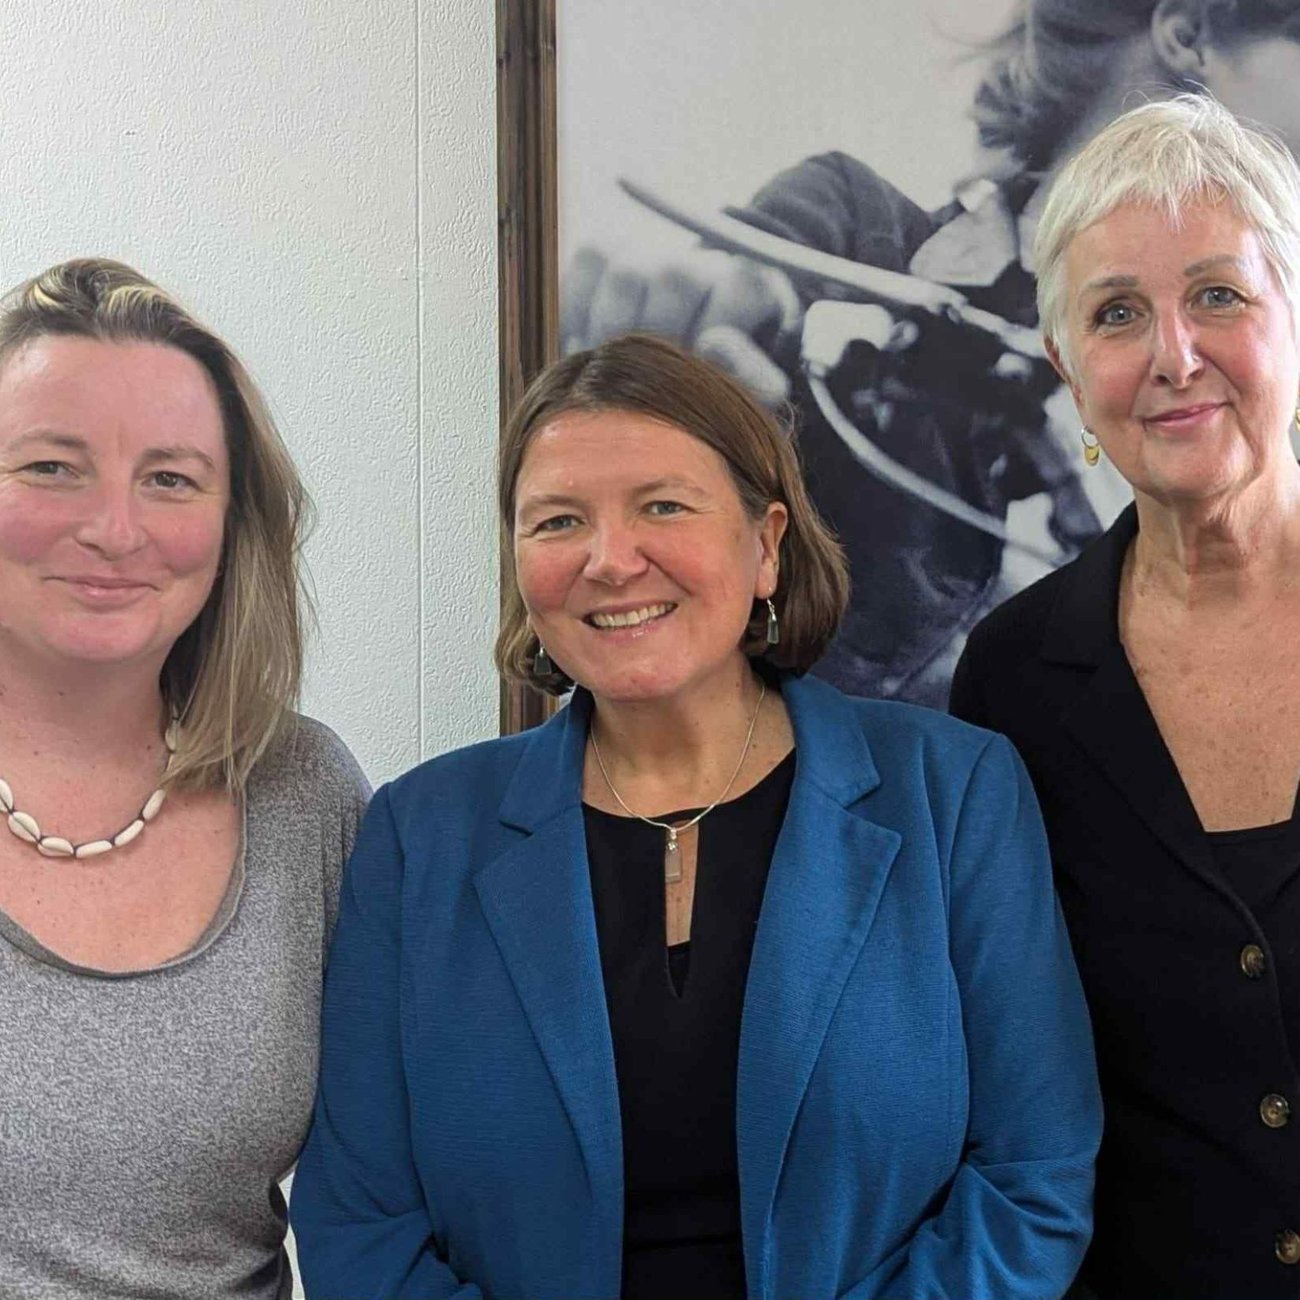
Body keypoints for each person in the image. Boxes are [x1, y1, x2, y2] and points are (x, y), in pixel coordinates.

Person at [290, 332, 1100, 1299]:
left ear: (766, 545)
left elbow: (1031, 1179)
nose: (609, 560)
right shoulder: (418, 836)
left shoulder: (954, 794)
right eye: (558, 521)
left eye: (663, 506)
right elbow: (360, 1224)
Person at [563, 0, 1300, 708]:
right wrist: (695, 307)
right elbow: (745, 293)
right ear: (1188, 33)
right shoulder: (856, 229)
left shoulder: (1257, 384)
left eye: (1217, 296)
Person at [950, 96, 1300, 1298]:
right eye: (1115, 313)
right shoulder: (1010, 682)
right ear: (1064, 367)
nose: (1173, 356)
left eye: (1218, 295)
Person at [0, 258, 369, 1299]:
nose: (115, 530)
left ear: (232, 522)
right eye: (51, 467)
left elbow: (395, 1182)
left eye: (169, 478)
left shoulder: (304, 792)